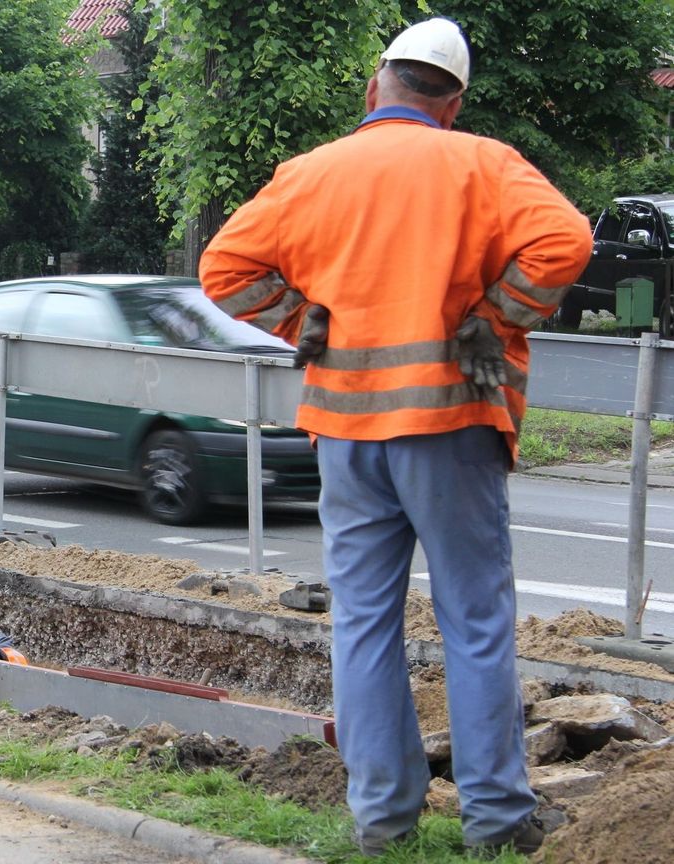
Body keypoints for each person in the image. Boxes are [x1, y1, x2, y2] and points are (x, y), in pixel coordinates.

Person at [199, 18, 592, 858]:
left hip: (345, 433)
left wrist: (302, 321)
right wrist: (497, 317)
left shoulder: (310, 174)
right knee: (475, 622)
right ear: (450, 103)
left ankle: (381, 819)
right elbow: (567, 241)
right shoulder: (481, 163)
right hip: (451, 427)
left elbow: (223, 270)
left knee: (364, 624)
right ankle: (495, 820)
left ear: (375, 87)